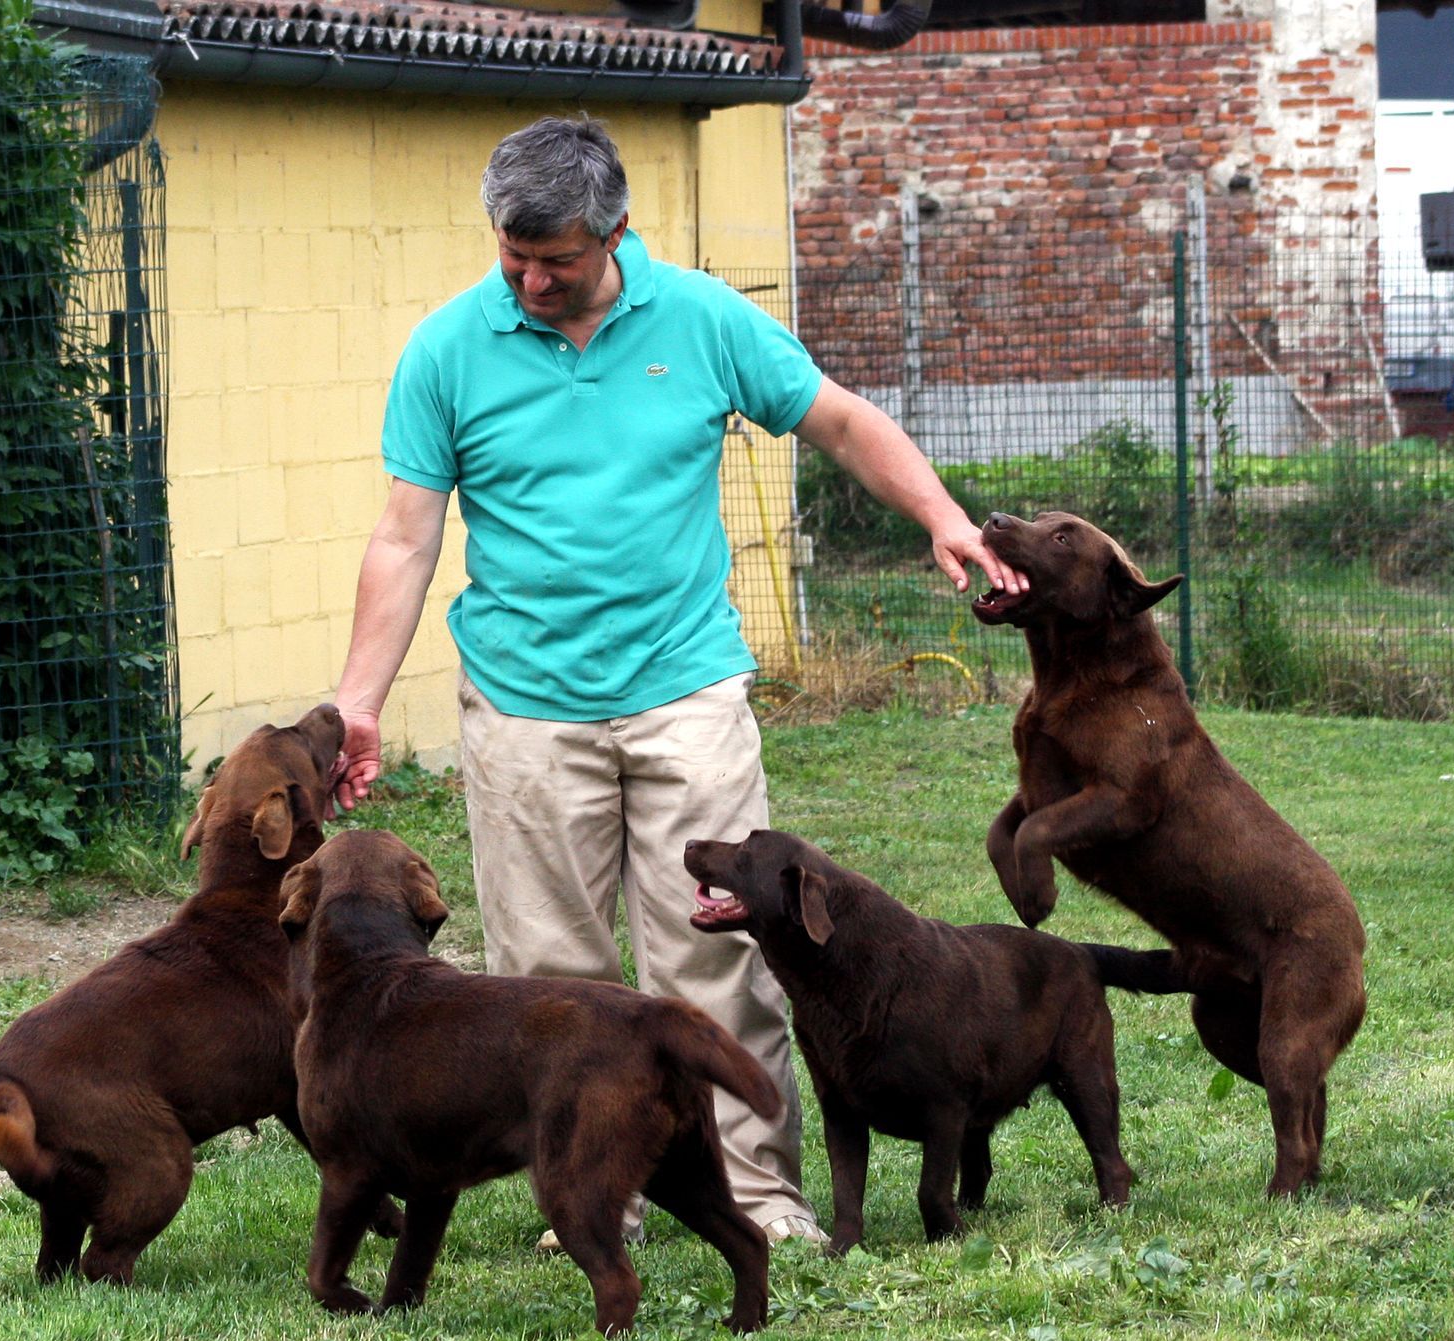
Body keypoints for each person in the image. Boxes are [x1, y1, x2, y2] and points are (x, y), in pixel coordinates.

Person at [329, 115, 1024, 1249]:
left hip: (685, 691)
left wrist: (943, 517)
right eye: (514, 255)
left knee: (720, 954)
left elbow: (841, 421)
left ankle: (755, 1191)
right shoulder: (447, 349)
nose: (532, 280)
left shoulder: (703, 319)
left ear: (616, 233)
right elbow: (406, 539)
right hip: (522, 705)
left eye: (557, 259)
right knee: (549, 978)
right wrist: (359, 702)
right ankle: (597, 1193)